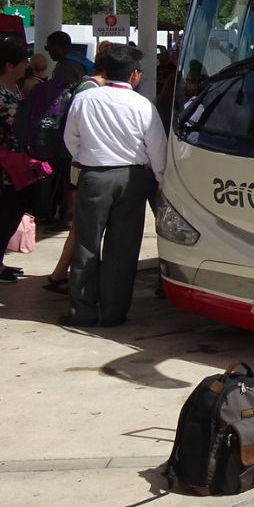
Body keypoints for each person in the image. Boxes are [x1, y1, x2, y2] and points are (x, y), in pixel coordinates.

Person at [59, 44, 166, 327]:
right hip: (132, 179)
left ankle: (82, 311)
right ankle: (114, 312)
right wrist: (160, 181)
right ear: (133, 75)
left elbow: (71, 140)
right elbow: (157, 149)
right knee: (123, 248)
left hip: (94, 177)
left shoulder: (86, 99)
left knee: (87, 245)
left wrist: (87, 157)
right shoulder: (143, 105)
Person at [44, 47, 111, 295]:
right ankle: (65, 276)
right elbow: (77, 134)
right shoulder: (90, 91)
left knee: (81, 224)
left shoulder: (87, 88)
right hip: (85, 165)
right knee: (83, 225)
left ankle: (60, 273)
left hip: (83, 163)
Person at [0, 38, 33, 282]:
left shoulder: (16, 89)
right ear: (10, 65)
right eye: (23, 61)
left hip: (16, 163)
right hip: (4, 163)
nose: (26, 65)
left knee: (13, 211)